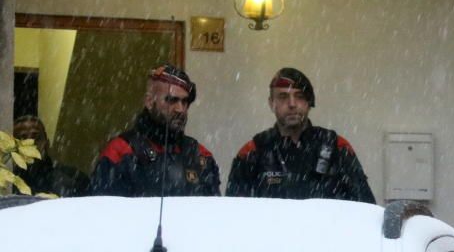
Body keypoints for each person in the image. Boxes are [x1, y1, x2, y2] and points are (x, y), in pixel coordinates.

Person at [226, 68, 375, 202]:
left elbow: (365, 207)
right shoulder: (252, 151)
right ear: (271, 103)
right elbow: (234, 216)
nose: (292, 104)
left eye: (299, 96)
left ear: (309, 102)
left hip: (327, 232)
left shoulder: (336, 146)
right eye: (283, 96)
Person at [89, 64, 220, 197]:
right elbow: (105, 213)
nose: (180, 109)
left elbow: (214, 213)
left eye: (185, 102)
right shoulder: (120, 151)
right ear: (149, 102)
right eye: (171, 100)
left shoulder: (201, 155)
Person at [11, 115, 89, 197]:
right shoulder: (7, 183)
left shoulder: (74, 179)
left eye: (36, 138)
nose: (30, 143)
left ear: (47, 144)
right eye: (22, 138)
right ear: (12, 148)